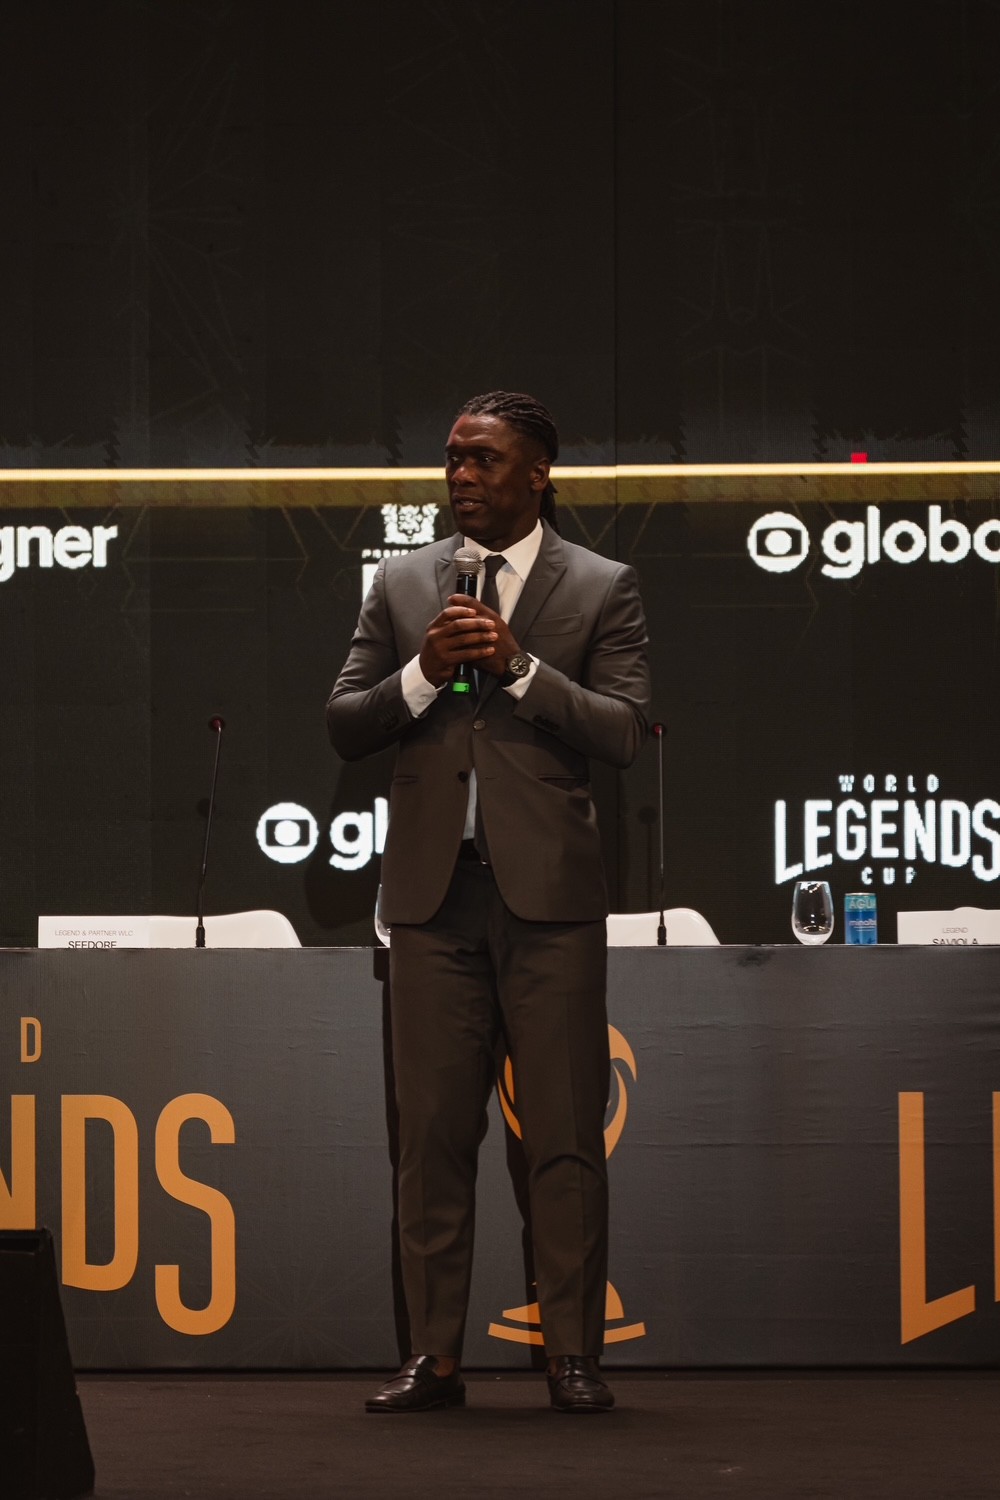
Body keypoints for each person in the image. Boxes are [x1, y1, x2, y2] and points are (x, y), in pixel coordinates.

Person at [327, 391, 650, 1414]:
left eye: (485, 460)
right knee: (428, 1142)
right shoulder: (402, 583)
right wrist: (424, 674)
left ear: (538, 474)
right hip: (432, 904)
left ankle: (572, 1355)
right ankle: (433, 1357)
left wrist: (519, 669)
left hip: (549, 906)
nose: (462, 477)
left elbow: (623, 730)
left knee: (562, 1137)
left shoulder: (600, 584)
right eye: (454, 459)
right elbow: (345, 721)